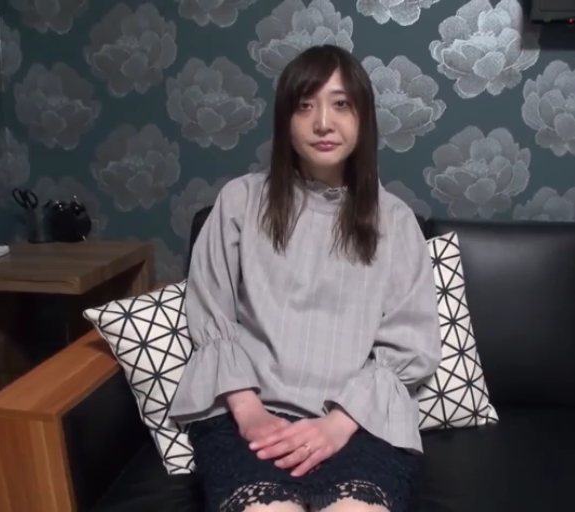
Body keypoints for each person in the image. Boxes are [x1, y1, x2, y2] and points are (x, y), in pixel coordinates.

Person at [168, 44, 441, 512]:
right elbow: (211, 313)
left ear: (363, 118)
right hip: (250, 412)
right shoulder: (239, 202)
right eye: (305, 106)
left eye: (341, 104)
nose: (323, 123)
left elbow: (409, 343)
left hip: (360, 421)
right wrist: (249, 413)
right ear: (285, 120)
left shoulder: (396, 220)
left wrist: (338, 424)